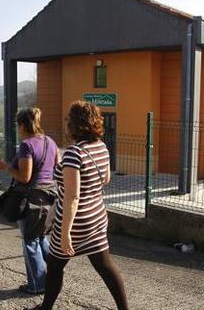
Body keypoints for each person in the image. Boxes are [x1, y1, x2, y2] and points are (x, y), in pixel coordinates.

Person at [26, 101, 129, 310]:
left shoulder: (73, 154)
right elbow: (106, 179)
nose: (66, 123)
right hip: (97, 217)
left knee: (55, 266)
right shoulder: (101, 147)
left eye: (68, 120)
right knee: (105, 265)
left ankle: (45, 308)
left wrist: (65, 233)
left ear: (74, 124)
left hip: (75, 222)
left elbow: (71, 197)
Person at [0, 108, 58, 295]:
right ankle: (54, 277)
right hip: (50, 197)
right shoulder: (50, 141)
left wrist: (4, 167)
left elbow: (24, 176)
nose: (17, 129)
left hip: (31, 200)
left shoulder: (27, 145)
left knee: (30, 241)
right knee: (41, 238)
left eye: (17, 125)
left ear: (22, 125)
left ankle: (37, 285)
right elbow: (56, 167)